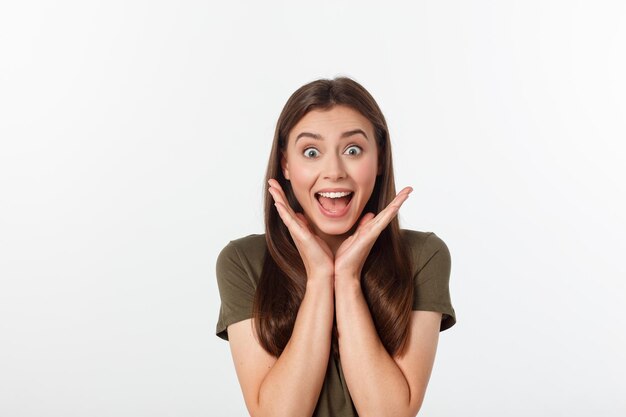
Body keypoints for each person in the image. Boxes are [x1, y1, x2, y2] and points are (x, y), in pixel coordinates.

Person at [215, 77, 456, 417]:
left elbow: (389, 414)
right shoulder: (243, 262)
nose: (333, 172)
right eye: (311, 152)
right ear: (285, 164)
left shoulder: (422, 256)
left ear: (381, 159)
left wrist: (346, 278)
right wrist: (318, 278)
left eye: (353, 150)